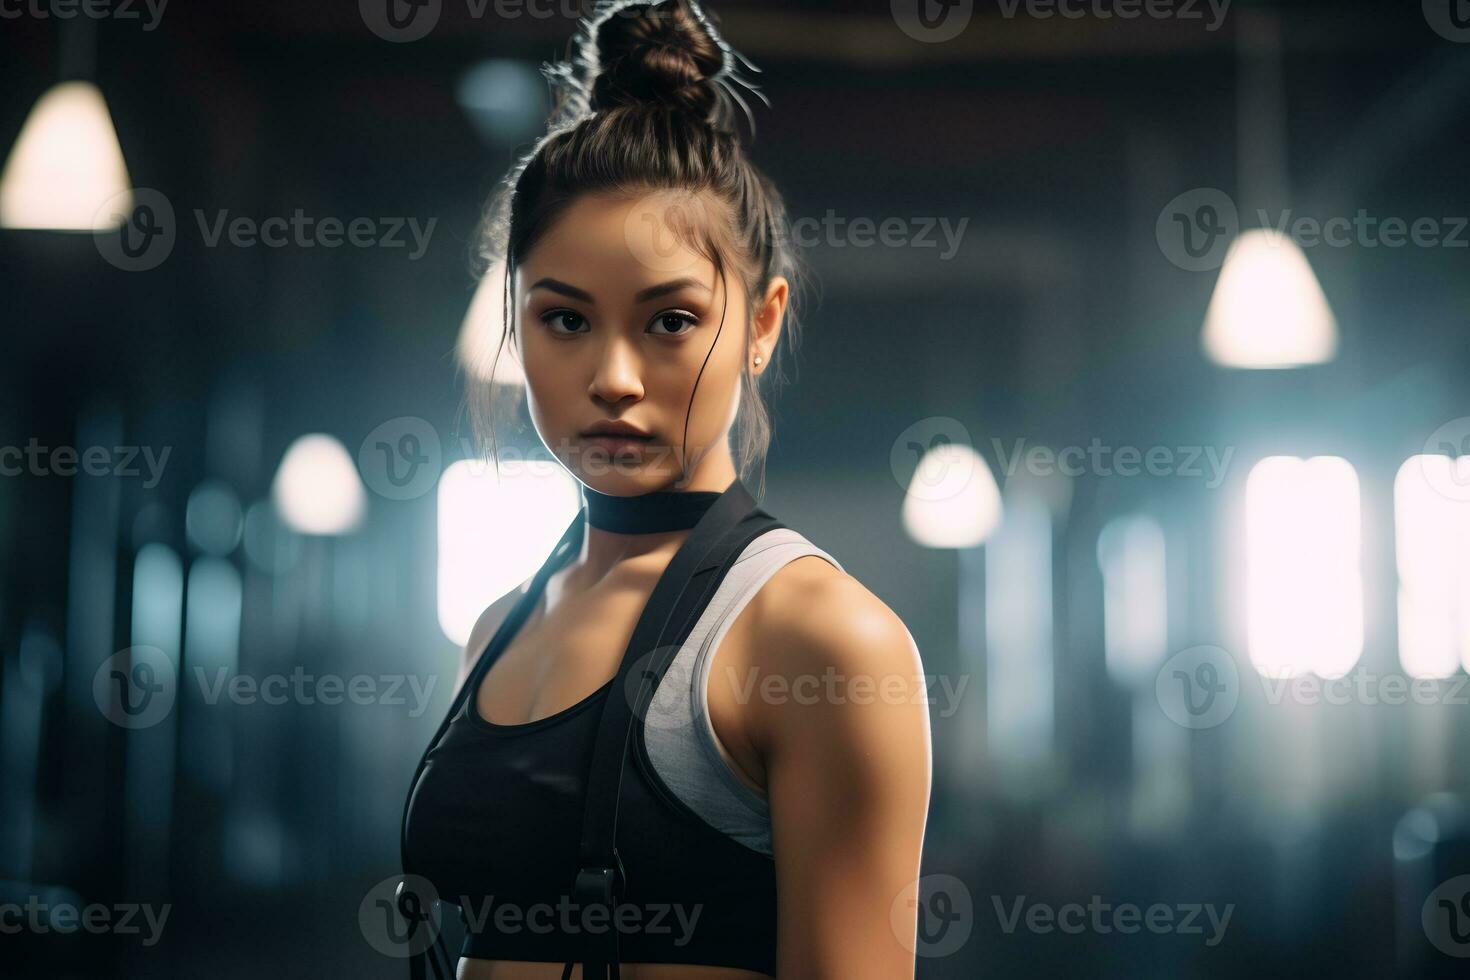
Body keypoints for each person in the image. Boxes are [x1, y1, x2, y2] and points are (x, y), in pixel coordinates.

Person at [400, 2, 932, 977]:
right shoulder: (497, 628)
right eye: (564, 320)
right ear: (513, 323)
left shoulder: (822, 640)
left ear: (762, 323)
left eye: (671, 319)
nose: (613, 375)